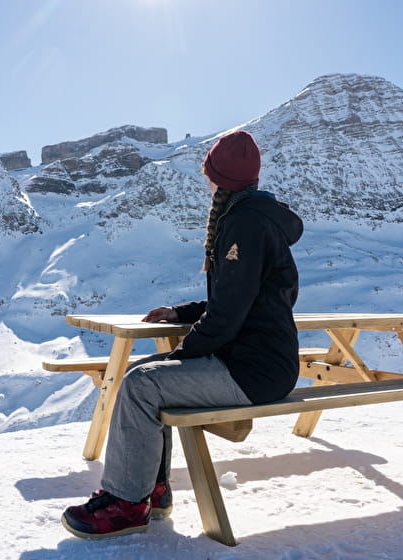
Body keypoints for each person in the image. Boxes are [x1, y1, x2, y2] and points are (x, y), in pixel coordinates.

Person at [61, 130, 304, 539]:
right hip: (261, 361)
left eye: (209, 174)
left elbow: (228, 316)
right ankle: (151, 490)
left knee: (142, 384)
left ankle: (125, 503)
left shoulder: (244, 224)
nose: (206, 181)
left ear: (219, 179)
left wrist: (184, 353)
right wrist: (183, 313)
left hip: (255, 370)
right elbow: (241, 295)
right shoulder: (254, 217)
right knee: (149, 375)